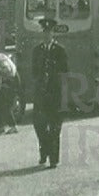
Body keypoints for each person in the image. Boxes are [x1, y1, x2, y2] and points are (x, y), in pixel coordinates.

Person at [32, 18, 68, 167]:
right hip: (41, 94)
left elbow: (65, 72)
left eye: (49, 32)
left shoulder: (60, 51)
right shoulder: (37, 50)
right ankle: (44, 151)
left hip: (55, 94)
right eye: (44, 32)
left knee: (54, 127)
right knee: (39, 125)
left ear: (53, 33)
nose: (47, 35)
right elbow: (33, 72)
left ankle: (53, 158)